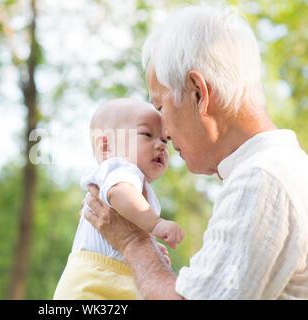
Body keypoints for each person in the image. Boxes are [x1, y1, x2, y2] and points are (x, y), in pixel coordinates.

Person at [83, 4, 308, 299]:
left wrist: (133, 242)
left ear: (198, 93)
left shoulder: (260, 181)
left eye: (161, 106)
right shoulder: (285, 167)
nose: (163, 131)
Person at [53, 98, 183, 299]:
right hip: (94, 282)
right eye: (147, 134)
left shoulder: (137, 183)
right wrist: (155, 224)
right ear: (106, 146)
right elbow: (119, 193)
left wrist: (151, 249)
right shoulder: (119, 168)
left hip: (110, 278)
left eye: (165, 140)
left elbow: (119, 235)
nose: (160, 145)